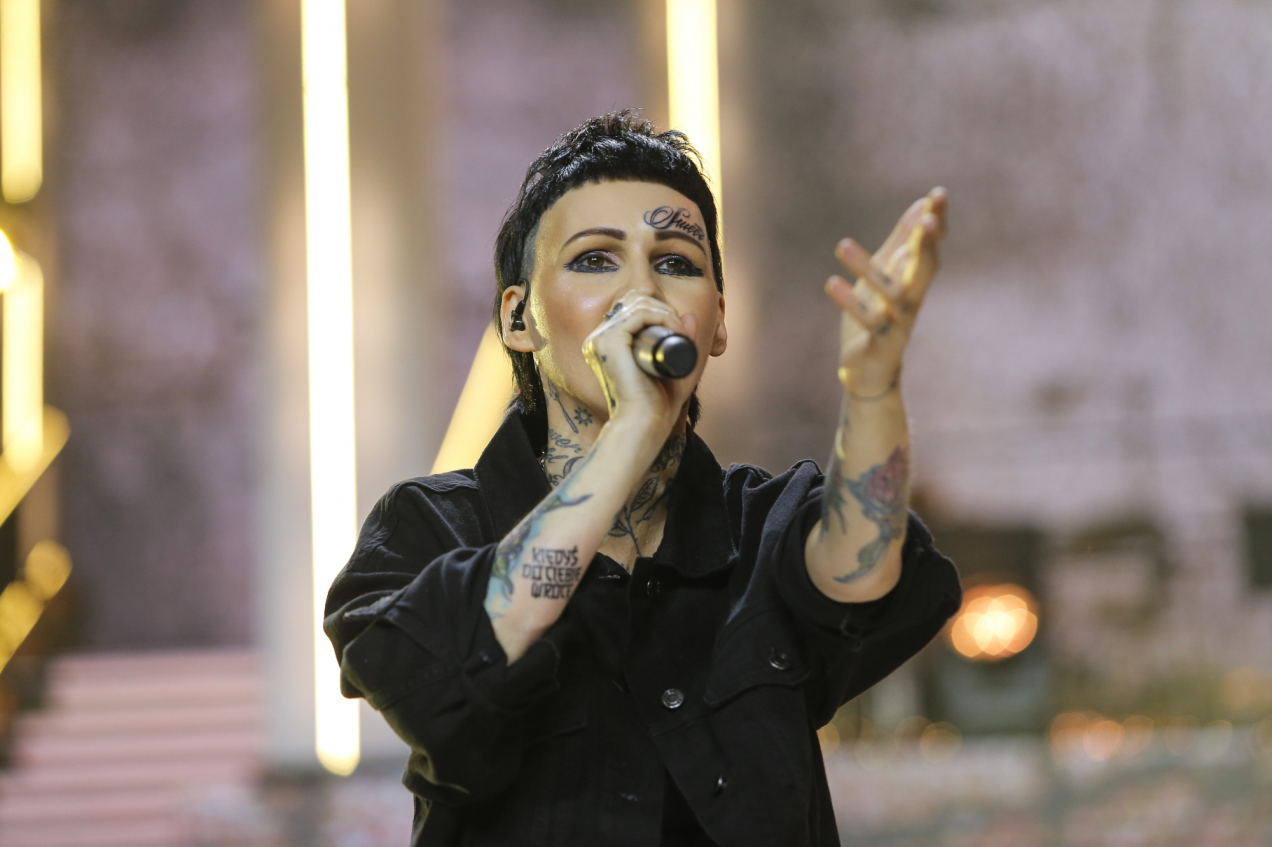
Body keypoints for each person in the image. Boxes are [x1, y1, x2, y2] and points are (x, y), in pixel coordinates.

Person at [324, 110, 961, 847]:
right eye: (596, 259)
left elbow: (861, 569)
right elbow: (442, 681)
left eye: (677, 263)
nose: (642, 291)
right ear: (519, 318)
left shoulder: (763, 523)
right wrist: (634, 427)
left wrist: (873, 386)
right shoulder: (430, 526)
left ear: (716, 321)